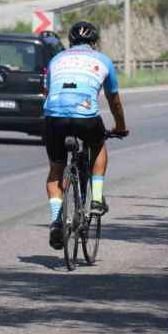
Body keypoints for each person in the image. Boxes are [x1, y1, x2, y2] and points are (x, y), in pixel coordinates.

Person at [44, 21, 128, 250]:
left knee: (56, 171)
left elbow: (48, 91)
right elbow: (114, 102)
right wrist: (120, 127)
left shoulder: (56, 60)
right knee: (98, 146)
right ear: (94, 42)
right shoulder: (103, 60)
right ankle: (97, 199)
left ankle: (55, 222)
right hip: (86, 117)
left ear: (70, 41)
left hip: (54, 116)